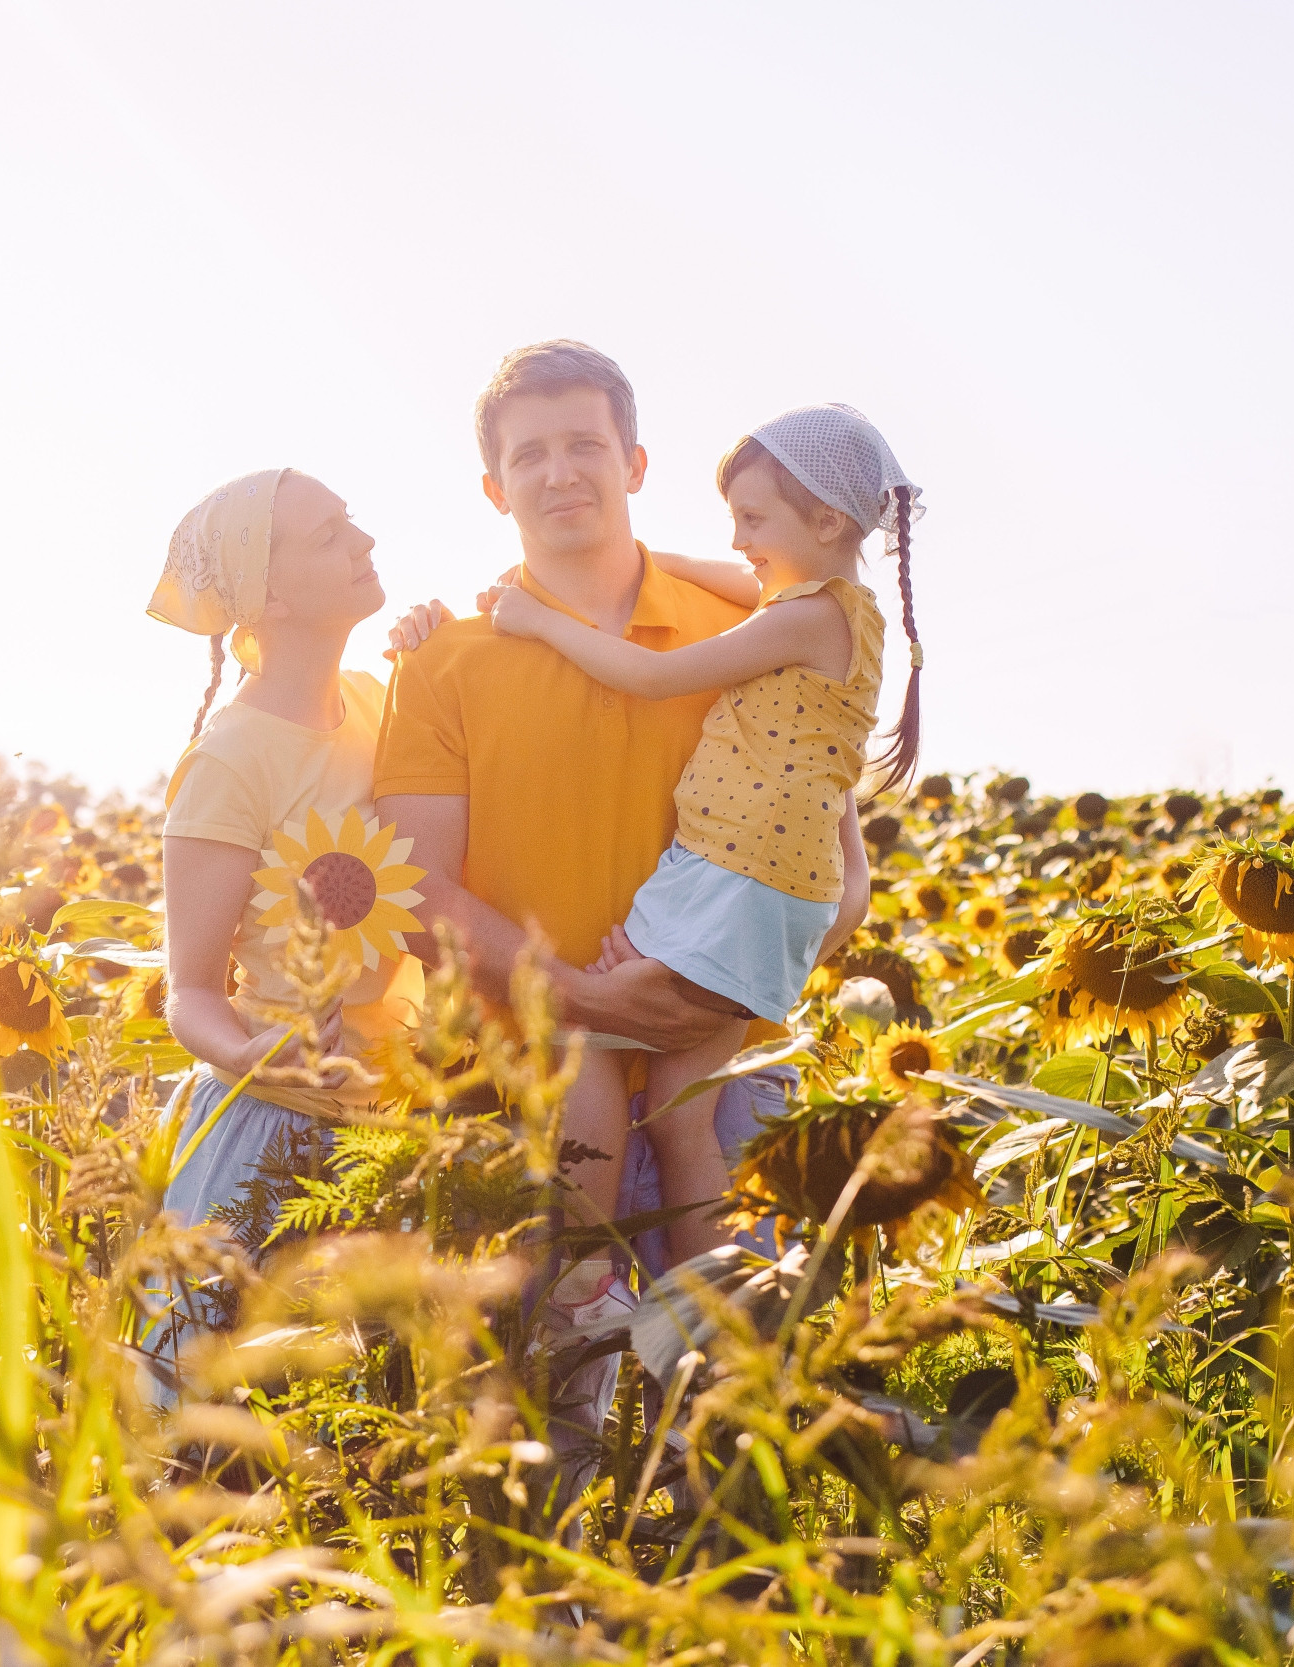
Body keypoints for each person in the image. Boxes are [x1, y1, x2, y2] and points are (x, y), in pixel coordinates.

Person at [372, 342, 870, 1507]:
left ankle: (726, 1594)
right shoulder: (447, 656)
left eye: (585, 444)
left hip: (718, 1060)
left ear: (635, 460)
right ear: (492, 487)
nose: (560, 473)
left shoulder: (743, 614)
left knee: (736, 1413)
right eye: (528, 454)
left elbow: (826, 824)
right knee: (550, 1428)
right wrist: (586, 996)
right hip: (535, 1079)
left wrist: (803, 939)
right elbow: (414, 884)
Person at [478, 402, 923, 1330]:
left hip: (734, 882)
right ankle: (711, 1309)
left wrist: (535, 618)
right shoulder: (840, 603)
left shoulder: (797, 622)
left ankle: (585, 1279)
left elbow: (649, 676)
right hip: (776, 889)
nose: (738, 540)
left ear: (828, 524)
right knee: (682, 1111)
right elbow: (734, 573)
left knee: (596, 1029)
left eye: (755, 520)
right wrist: (662, 565)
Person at [145, 467, 426, 1401]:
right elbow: (188, 988)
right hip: (267, 1137)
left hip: (396, 1128)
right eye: (331, 533)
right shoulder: (230, 759)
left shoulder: (382, 700)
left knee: (378, 1443)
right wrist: (257, 1055)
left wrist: (437, 652)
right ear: (268, 593)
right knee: (213, 1436)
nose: (365, 543)